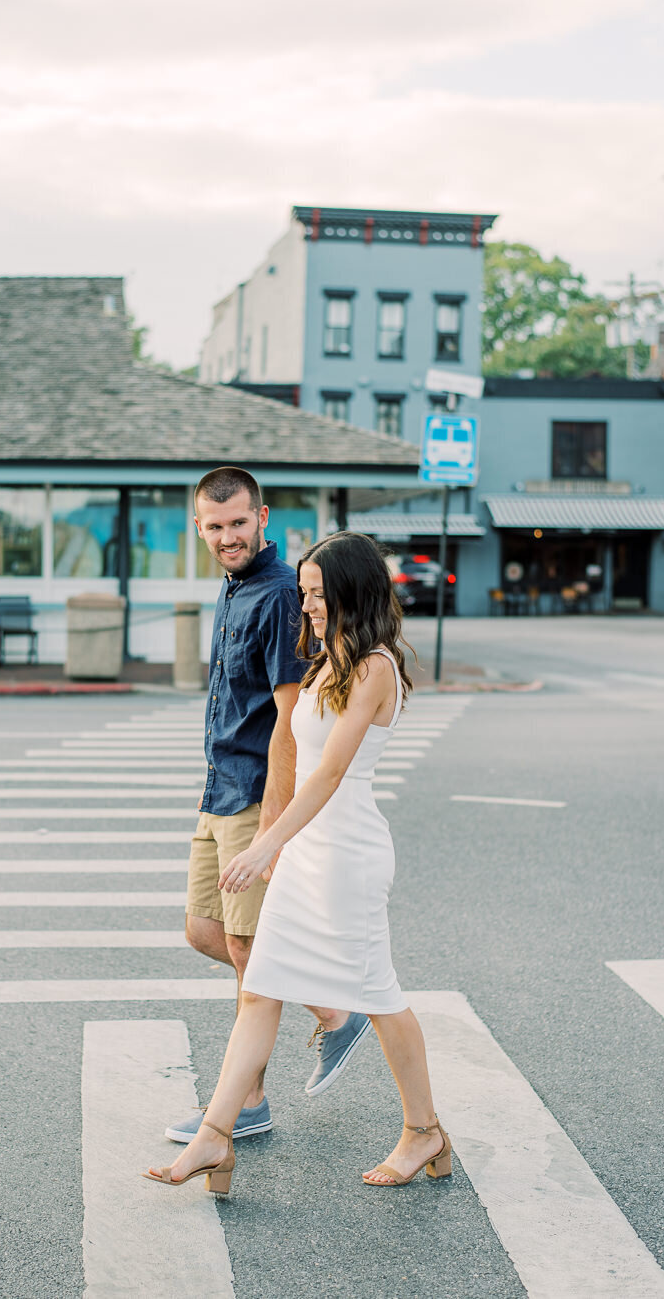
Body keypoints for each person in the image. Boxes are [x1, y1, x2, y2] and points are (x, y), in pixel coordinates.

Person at [144, 531, 451, 1192]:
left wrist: (265, 841)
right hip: (308, 846)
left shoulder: (373, 669)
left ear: (351, 594)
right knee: (259, 989)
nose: (307, 606)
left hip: (347, 856)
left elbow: (330, 773)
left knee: (380, 998)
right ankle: (215, 1137)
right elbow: (295, 749)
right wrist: (281, 842)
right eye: (305, 593)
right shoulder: (326, 663)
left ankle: (423, 1130)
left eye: (317, 595)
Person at [164, 470, 372, 1147]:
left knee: (248, 944)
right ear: (199, 528)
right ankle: (335, 1013)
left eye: (238, 523)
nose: (228, 536)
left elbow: (289, 719)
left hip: (254, 794)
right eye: (214, 526)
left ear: (263, 518)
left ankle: (245, 1100)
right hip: (218, 788)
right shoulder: (234, 590)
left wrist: (274, 832)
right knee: (206, 932)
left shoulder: (282, 592)